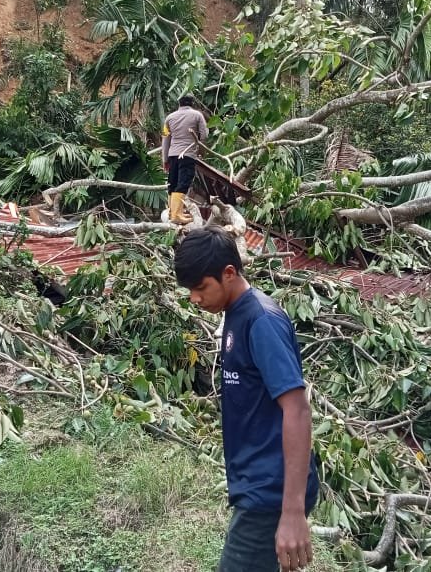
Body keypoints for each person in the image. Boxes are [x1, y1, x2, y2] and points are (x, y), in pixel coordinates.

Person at [174, 226, 319, 572]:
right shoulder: (236, 315)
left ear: (228, 273)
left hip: (270, 493)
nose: (194, 298)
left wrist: (292, 512)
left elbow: (297, 411)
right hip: (257, 484)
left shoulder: (261, 321)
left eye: (200, 287)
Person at [161, 95, 208, 225]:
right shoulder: (197, 115)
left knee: (173, 182)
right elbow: (204, 135)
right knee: (183, 182)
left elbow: (165, 139)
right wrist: (200, 152)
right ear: (191, 104)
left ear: (179, 104)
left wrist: (165, 159)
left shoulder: (169, 118)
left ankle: (172, 212)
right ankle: (176, 215)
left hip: (172, 155)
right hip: (187, 154)